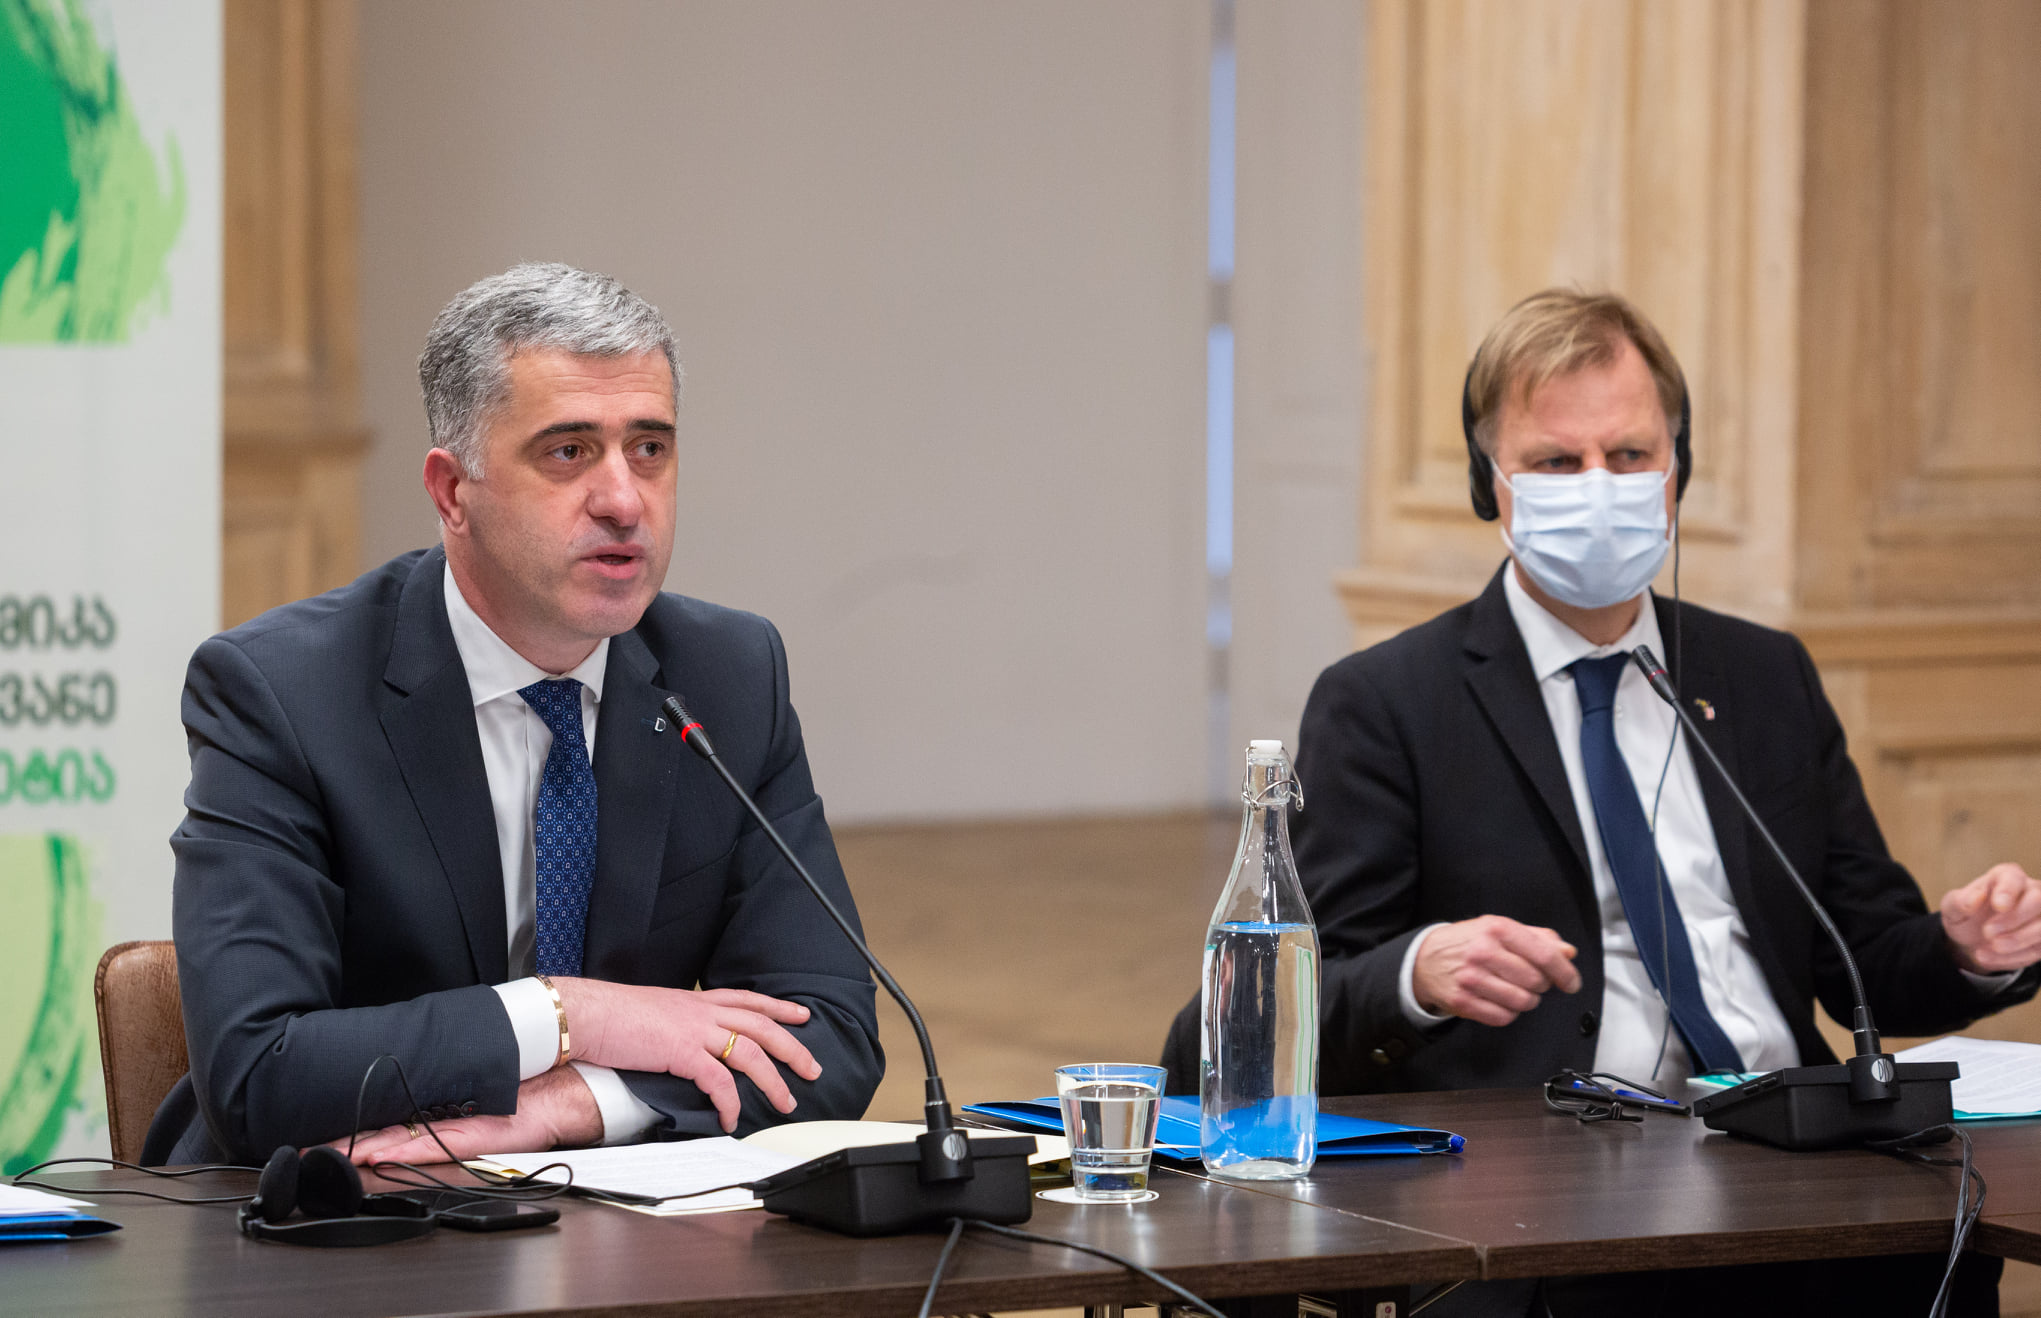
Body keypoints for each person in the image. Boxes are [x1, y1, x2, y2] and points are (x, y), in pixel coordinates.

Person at [1163, 288, 2041, 1315]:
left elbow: (1867, 963)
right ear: (1490, 485)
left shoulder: (1762, 676)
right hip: (1549, 1184)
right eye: (1554, 461)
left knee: (1945, 1241)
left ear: (1677, 472)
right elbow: (1270, 1016)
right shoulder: (1388, 703)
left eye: (1628, 456)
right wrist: (1415, 972)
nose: (1599, 487)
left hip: (1796, 1156)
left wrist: (1967, 949)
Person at [146, 263, 882, 1167]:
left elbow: (828, 1036)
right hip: (328, 1209)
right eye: (567, 452)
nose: (623, 500)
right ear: (452, 491)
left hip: (617, 1214)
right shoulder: (281, 692)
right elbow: (260, 1074)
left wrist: (576, 1103)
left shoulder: (727, 675)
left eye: (649, 449)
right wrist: (572, 1014)